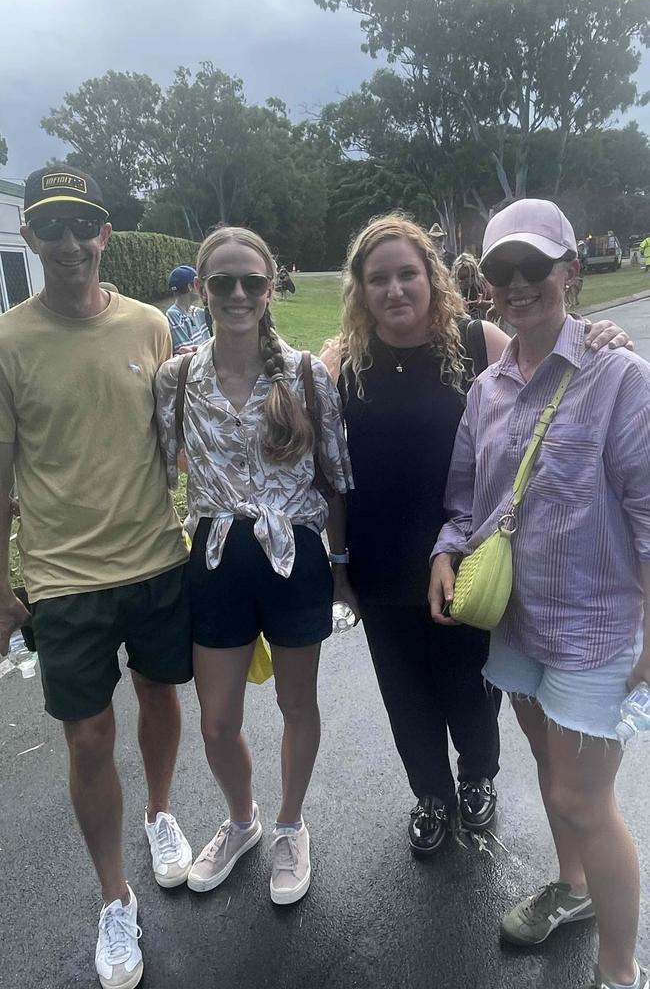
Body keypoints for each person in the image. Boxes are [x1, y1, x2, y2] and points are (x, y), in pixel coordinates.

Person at [321, 212, 632, 856]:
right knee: (403, 692)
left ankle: (477, 779)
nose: (396, 289)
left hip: (470, 559)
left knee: (471, 688)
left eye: (409, 273)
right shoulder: (343, 364)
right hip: (381, 563)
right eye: (378, 278)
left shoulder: (475, 340)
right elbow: (324, 469)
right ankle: (430, 794)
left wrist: (603, 338)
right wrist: (340, 566)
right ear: (360, 289)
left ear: (433, 279)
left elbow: (546, 366)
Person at [430, 199, 649, 989]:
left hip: (595, 630)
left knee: (585, 799)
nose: (516, 285)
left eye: (533, 268)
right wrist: (447, 552)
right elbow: (466, 500)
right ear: (485, 284)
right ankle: (574, 889)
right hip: (516, 623)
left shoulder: (619, 375)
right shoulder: (487, 389)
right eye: (500, 272)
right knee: (548, 769)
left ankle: (621, 972)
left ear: (570, 273)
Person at [0, 166, 193, 989]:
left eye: (85, 226)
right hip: (64, 577)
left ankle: (158, 812)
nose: (71, 243)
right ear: (31, 238)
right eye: (53, 228)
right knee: (86, 739)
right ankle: (115, 897)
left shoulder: (151, 326)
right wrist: (3, 594)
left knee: (159, 699)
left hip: (157, 556)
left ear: (104, 234)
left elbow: (192, 429)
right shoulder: (7, 341)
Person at [154, 226, 354, 905]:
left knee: (298, 702)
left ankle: (292, 826)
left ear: (270, 287)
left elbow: (336, 477)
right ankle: (243, 820)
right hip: (214, 559)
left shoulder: (305, 374)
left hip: (294, 557)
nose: (237, 293)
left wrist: (343, 566)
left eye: (250, 281)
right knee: (216, 722)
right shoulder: (176, 376)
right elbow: (156, 471)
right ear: (202, 290)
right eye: (222, 282)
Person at [165, 264, 211, 353]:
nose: (201, 288)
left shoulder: (197, 312)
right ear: (190, 287)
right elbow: (187, 352)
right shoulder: (173, 315)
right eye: (198, 284)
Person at [450, 252, 492, 320]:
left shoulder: (483, 283)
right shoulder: (452, 287)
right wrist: (459, 308)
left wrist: (483, 304)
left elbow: (496, 305)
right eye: (462, 277)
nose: (467, 280)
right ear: (456, 276)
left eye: (471, 276)